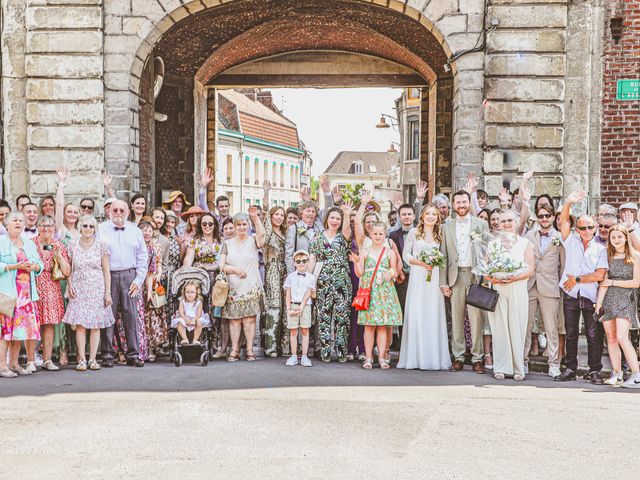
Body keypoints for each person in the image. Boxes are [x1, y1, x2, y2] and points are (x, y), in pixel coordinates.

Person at [555, 190, 607, 383]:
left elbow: (599, 275)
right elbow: (564, 219)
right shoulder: (570, 242)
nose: (586, 231)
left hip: (591, 296)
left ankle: (594, 370)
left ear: (594, 228)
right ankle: (570, 368)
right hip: (571, 295)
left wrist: (577, 279)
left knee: (594, 335)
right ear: (577, 229)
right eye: (582, 228)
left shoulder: (601, 249)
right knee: (571, 333)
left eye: (589, 227)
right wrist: (568, 202)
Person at [439, 190, 489, 373]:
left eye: (464, 202)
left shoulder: (481, 224)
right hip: (455, 275)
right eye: (458, 202)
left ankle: (477, 359)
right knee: (457, 318)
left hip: (474, 275)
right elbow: (443, 255)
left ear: (469, 203)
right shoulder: (447, 226)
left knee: (476, 319)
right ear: (453, 205)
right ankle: (458, 357)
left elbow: (486, 252)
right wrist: (443, 283)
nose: (461, 205)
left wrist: (485, 278)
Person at [398, 204, 451, 371]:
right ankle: (415, 358)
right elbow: (406, 256)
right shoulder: (415, 233)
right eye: (427, 213)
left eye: (434, 214)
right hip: (418, 277)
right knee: (417, 312)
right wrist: (422, 263)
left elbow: (445, 257)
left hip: (434, 279)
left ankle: (434, 358)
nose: (430, 217)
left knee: (433, 313)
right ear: (422, 216)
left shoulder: (440, 234)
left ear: (438, 217)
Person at [485, 209, 535, 380]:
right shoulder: (493, 244)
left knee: (517, 326)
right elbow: (485, 270)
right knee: (499, 328)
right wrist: (495, 278)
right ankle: (500, 366)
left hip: (518, 288)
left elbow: (530, 268)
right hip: (498, 288)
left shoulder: (525, 243)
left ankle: (518, 368)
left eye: (509, 220)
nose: (506, 224)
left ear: (515, 222)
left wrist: (514, 277)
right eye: (503, 221)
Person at [98, 200, 148, 368]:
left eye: (121, 209)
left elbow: (142, 257)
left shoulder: (135, 231)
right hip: (108, 275)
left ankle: (133, 354)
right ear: (109, 211)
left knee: (131, 316)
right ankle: (107, 355)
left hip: (129, 275)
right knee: (108, 315)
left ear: (127, 211)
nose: (118, 212)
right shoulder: (101, 229)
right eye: (115, 209)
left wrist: (138, 280)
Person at [63, 215, 115, 371]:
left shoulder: (101, 245)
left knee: (95, 325)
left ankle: (93, 358)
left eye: (91, 226)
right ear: (80, 227)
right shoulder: (73, 245)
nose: (88, 229)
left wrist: (107, 292)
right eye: (85, 226)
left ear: (95, 229)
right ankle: (82, 360)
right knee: (80, 325)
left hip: (97, 288)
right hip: (79, 288)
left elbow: (106, 270)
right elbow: (69, 269)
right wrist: (69, 285)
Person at [218, 207, 265, 362]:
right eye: (239, 225)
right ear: (235, 226)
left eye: (244, 224)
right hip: (233, 286)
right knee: (234, 319)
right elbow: (221, 266)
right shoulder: (227, 243)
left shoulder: (253, 240)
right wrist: (235, 270)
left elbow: (263, 236)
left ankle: (250, 350)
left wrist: (255, 218)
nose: (242, 227)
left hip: (250, 285)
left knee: (249, 319)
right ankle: (235, 349)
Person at [595, 225, 640, 388]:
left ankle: (637, 374)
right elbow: (604, 283)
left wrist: (613, 282)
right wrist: (599, 302)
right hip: (609, 299)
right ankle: (617, 373)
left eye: (619, 237)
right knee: (611, 337)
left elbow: (636, 283)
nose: (616, 240)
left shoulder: (635, 256)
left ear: (626, 237)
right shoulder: (607, 256)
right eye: (613, 237)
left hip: (626, 299)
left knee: (622, 336)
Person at [308, 204, 353, 363]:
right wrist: (309, 282)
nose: (335, 221)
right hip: (323, 281)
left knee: (342, 317)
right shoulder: (317, 236)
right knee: (323, 316)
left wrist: (346, 214)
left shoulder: (344, 236)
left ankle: (341, 352)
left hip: (342, 281)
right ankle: (325, 352)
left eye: (338, 219)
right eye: (332, 217)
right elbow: (312, 259)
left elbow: (347, 229)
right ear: (327, 219)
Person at [0, 212, 43, 377]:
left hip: (26, 295)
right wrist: (15, 267)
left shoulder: (29, 244)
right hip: (7, 293)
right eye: (15, 220)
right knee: (5, 332)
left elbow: (39, 264)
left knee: (19, 331)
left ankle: (14, 363)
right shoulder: (1, 242)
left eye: (21, 220)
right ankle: (2, 366)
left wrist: (35, 267)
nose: (18, 222)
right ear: (7, 224)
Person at [525, 203, 564, 378]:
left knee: (551, 328)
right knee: (525, 326)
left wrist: (561, 285)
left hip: (550, 286)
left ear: (552, 216)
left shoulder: (559, 237)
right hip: (530, 285)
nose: (544, 219)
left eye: (547, 216)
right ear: (537, 217)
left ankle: (554, 364)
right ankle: (522, 361)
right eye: (541, 216)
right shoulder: (529, 235)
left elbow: (563, 264)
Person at [356, 222, 402, 369]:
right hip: (370, 290)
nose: (377, 236)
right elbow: (359, 273)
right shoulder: (364, 251)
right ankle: (369, 357)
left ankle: (382, 357)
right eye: (375, 233)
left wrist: (390, 273)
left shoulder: (389, 252)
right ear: (370, 234)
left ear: (385, 234)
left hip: (384, 291)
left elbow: (394, 270)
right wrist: (356, 262)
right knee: (369, 326)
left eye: (380, 234)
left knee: (382, 325)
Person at [32, 215, 70, 372]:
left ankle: (47, 359)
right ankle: (31, 359)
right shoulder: (30, 244)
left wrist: (58, 256)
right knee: (32, 324)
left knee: (49, 324)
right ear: (38, 227)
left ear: (54, 229)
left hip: (52, 287)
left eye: (49, 226)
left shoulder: (58, 245)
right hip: (33, 285)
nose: (46, 229)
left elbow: (67, 271)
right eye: (43, 225)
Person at [262, 181, 288, 357]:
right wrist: (266, 192)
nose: (279, 217)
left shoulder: (286, 233)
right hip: (272, 268)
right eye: (276, 214)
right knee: (274, 306)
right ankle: (270, 345)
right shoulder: (269, 230)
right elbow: (264, 210)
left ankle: (282, 345)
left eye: (281, 215)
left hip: (284, 270)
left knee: (285, 308)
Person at [283, 250, 315, 367]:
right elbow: (287, 294)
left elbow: (308, 293)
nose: (301, 263)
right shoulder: (290, 277)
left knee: (305, 330)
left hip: (305, 306)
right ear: (294, 263)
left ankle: (305, 356)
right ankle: (293, 356)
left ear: (308, 262)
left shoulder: (311, 277)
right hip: (293, 304)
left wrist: (302, 306)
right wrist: (288, 309)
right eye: (298, 261)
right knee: (293, 330)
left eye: (304, 261)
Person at [171, 280, 211, 345]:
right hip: (184, 318)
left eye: (192, 292)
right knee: (179, 322)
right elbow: (181, 312)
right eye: (187, 292)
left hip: (196, 318)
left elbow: (199, 314)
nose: (189, 294)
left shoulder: (199, 302)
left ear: (196, 292)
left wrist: (193, 320)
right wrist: (186, 319)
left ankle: (195, 339)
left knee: (199, 322)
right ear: (184, 292)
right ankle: (184, 339)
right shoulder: (182, 301)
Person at [161, 210, 181, 319]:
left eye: (172, 222)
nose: (170, 224)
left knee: (172, 302)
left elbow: (180, 259)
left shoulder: (176, 240)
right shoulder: (159, 238)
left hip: (173, 275)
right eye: (168, 221)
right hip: (161, 274)